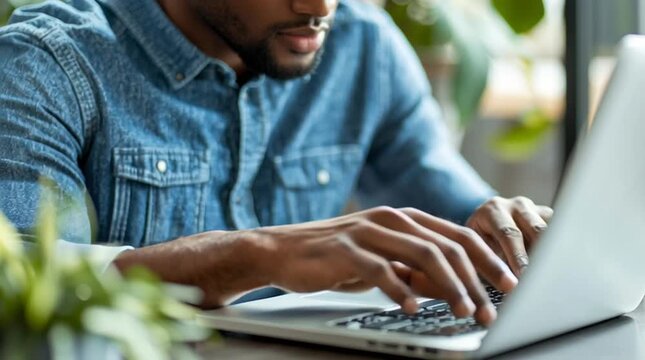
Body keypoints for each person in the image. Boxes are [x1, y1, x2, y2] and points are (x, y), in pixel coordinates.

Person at [0, 0, 552, 325]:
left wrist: (505, 229)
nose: (318, 8)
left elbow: (450, 204)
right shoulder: (45, 63)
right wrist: (249, 255)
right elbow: (22, 282)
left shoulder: (363, 47)